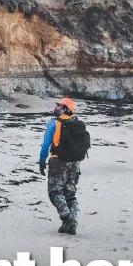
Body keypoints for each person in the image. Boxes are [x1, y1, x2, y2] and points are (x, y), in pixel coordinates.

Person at [38, 98, 89, 235]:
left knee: (54, 192)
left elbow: (45, 145)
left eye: (59, 106)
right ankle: (72, 224)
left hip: (58, 162)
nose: (56, 108)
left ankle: (68, 219)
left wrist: (42, 161)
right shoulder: (77, 124)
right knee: (70, 194)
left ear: (65, 109)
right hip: (75, 163)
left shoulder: (54, 123)